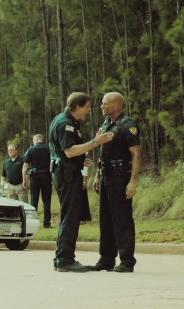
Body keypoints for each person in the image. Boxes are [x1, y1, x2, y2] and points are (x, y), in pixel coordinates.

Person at [49, 92, 114, 272]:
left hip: (66, 170)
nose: (89, 111)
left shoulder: (65, 120)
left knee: (70, 217)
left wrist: (80, 160)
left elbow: (66, 152)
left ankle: (63, 257)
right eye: (87, 107)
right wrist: (95, 141)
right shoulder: (65, 124)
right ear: (77, 107)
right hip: (67, 175)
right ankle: (64, 260)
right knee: (70, 217)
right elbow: (69, 151)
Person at [89, 92, 141, 273]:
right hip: (106, 175)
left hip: (120, 176)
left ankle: (127, 260)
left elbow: (136, 154)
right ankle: (106, 258)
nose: (101, 106)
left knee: (122, 218)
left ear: (116, 105)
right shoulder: (106, 124)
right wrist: (97, 175)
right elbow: (103, 153)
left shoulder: (128, 124)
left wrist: (133, 181)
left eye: (105, 103)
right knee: (106, 219)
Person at [22, 134, 53, 228]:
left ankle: (32, 223)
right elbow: (53, 162)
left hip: (34, 177)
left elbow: (25, 166)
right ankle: (47, 223)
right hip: (46, 175)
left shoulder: (31, 150)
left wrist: (24, 180)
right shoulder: (50, 148)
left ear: (36, 140)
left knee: (34, 200)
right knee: (47, 200)